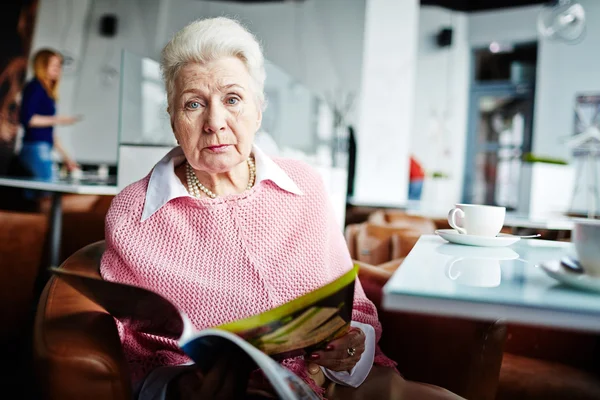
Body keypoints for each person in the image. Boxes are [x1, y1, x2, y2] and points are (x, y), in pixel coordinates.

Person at [100, 17, 463, 400]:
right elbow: (127, 351)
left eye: (233, 99)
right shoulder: (132, 214)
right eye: (194, 104)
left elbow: (352, 304)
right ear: (174, 120)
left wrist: (353, 347)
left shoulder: (304, 185)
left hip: (334, 386)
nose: (215, 122)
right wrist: (181, 386)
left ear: (258, 110)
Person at [19, 48, 79, 186]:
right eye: (54, 65)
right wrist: (59, 119)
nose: (58, 69)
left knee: (45, 188)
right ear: (42, 65)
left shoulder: (47, 92)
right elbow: (28, 119)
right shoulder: (35, 87)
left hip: (44, 147)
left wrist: (66, 157)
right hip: (34, 147)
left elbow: (50, 133)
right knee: (47, 189)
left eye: (59, 65)